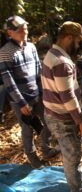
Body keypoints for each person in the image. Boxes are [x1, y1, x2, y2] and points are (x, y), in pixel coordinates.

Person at [0, 15, 59, 168]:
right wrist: (21, 102)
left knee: (47, 123)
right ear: (10, 33)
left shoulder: (31, 47)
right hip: (20, 100)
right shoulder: (5, 52)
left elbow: (39, 71)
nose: (23, 31)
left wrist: (44, 92)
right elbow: (8, 82)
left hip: (37, 95)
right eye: (19, 29)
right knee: (27, 129)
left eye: (24, 27)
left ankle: (46, 149)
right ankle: (32, 157)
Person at [41, 21, 82, 191]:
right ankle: (77, 189)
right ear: (69, 37)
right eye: (77, 41)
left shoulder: (52, 53)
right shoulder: (61, 62)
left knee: (75, 154)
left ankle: (80, 181)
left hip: (56, 113)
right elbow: (67, 96)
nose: (78, 45)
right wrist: (81, 121)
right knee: (72, 157)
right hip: (63, 117)